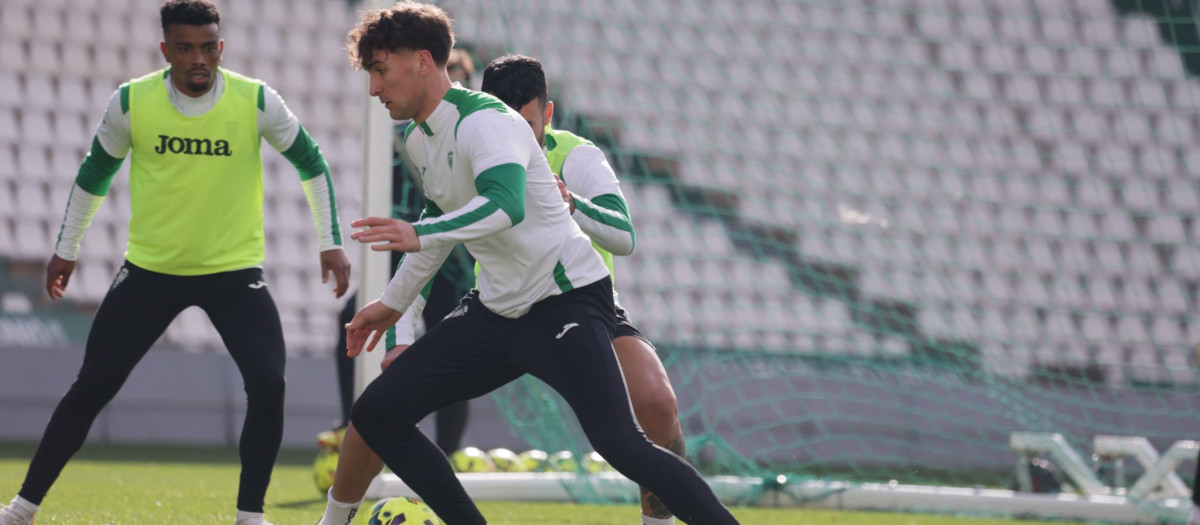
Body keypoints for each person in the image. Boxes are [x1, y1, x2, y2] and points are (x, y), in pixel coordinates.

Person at [317, 3, 738, 525]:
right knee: (376, 413)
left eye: (380, 71)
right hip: (496, 310)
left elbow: (503, 206)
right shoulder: (420, 138)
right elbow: (441, 221)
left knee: (621, 445)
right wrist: (391, 303)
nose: (375, 88)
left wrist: (418, 230)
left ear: (422, 61)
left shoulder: (487, 122)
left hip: (565, 301)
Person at [0, 1, 350, 524]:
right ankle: (21, 509)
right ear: (166, 50)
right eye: (185, 48)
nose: (198, 59)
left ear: (221, 48)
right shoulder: (132, 102)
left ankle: (250, 516)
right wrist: (66, 248)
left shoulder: (255, 100)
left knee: (269, 383)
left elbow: (311, 162)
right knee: (92, 385)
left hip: (234, 275)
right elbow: (94, 174)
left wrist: (331, 239)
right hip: (149, 273)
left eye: (208, 47)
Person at [328, 47, 477, 453]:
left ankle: (450, 449)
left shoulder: (466, 131)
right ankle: (350, 422)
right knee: (352, 319)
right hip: (404, 255)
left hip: (450, 260)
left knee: (452, 350)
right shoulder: (402, 134)